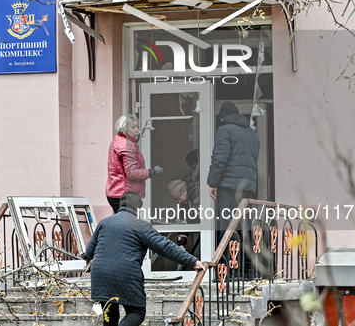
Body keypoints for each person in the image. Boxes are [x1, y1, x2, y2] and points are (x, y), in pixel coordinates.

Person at [83, 192, 205, 326]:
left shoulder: (104, 223)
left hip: (100, 276)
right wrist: (192, 261)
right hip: (125, 274)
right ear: (138, 209)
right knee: (137, 312)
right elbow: (165, 246)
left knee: (110, 316)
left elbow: (89, 252)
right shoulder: (140, 225)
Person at [207, 101, 260, 235]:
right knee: (245, 225)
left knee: (228, 225)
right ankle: (245, 255)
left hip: (229, 186)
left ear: (222, 117)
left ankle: (226, 256)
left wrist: (212, 183)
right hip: (248, 186)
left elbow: (219, 158)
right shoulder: (252, 134)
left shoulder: (225, 130)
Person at [106, 114, 163, 213]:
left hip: (117, 192)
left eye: (137, 126)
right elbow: (132, 172)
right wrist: (151, 172)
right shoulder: (127, 145)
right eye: (133, 127)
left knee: (125, 225)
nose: (137, 130)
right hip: (125, 195)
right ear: (124, 129)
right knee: (129, 226)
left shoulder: (119, 140)